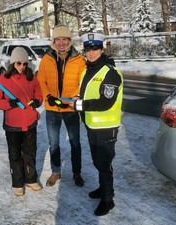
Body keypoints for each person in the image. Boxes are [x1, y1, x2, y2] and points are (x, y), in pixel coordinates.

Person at [68, 33, 123, 216]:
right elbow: (86, 93)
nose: (91, 53)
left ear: (102, 49)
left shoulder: (110, 73)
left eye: (95, 49)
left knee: (104, 164)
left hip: (106, 128)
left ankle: (108, 200)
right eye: (88, 49)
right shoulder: (88, 70)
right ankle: (102, 189)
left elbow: (105, 102)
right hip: (92, 125)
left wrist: (79, 104)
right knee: (98, 162)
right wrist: (78, 98)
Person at [37, 24, 86, 187]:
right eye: (58, 39)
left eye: (64, 39)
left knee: (75, 142)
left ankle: (77, 173)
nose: (61, 43)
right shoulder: (47, 58)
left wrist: (72, 98)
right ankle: (55, 171)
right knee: (54, 143)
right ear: (54, 41)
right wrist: (48, 96)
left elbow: (83, 82)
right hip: (52, 109)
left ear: (69, 40)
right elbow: (41, 80)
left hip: (71, 108)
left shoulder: (79, 60)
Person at [0, 47, 43, 196]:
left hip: (30, 122)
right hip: (12, 125)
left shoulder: (32, 79)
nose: (22, 67)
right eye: (18, 63)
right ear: (13, 63)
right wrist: (8, 104)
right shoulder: (2, 80)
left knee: (30, 152)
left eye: (25, 63)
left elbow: (39, 95)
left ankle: (31, 179)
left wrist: (36, 101)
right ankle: (18, 183)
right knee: (15, 155)